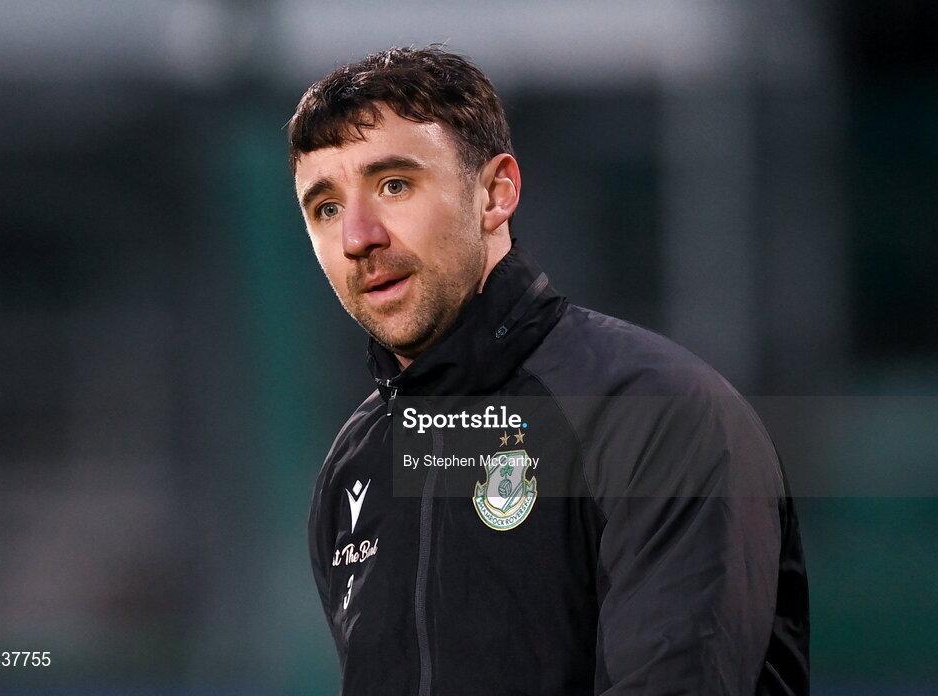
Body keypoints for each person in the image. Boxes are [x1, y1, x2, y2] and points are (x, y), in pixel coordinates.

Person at [289, 45, 809, 695]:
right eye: (325, 207)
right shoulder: (356, 467)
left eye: (395, 185)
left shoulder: (653, 415)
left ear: (496, 193)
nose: (357, 236)